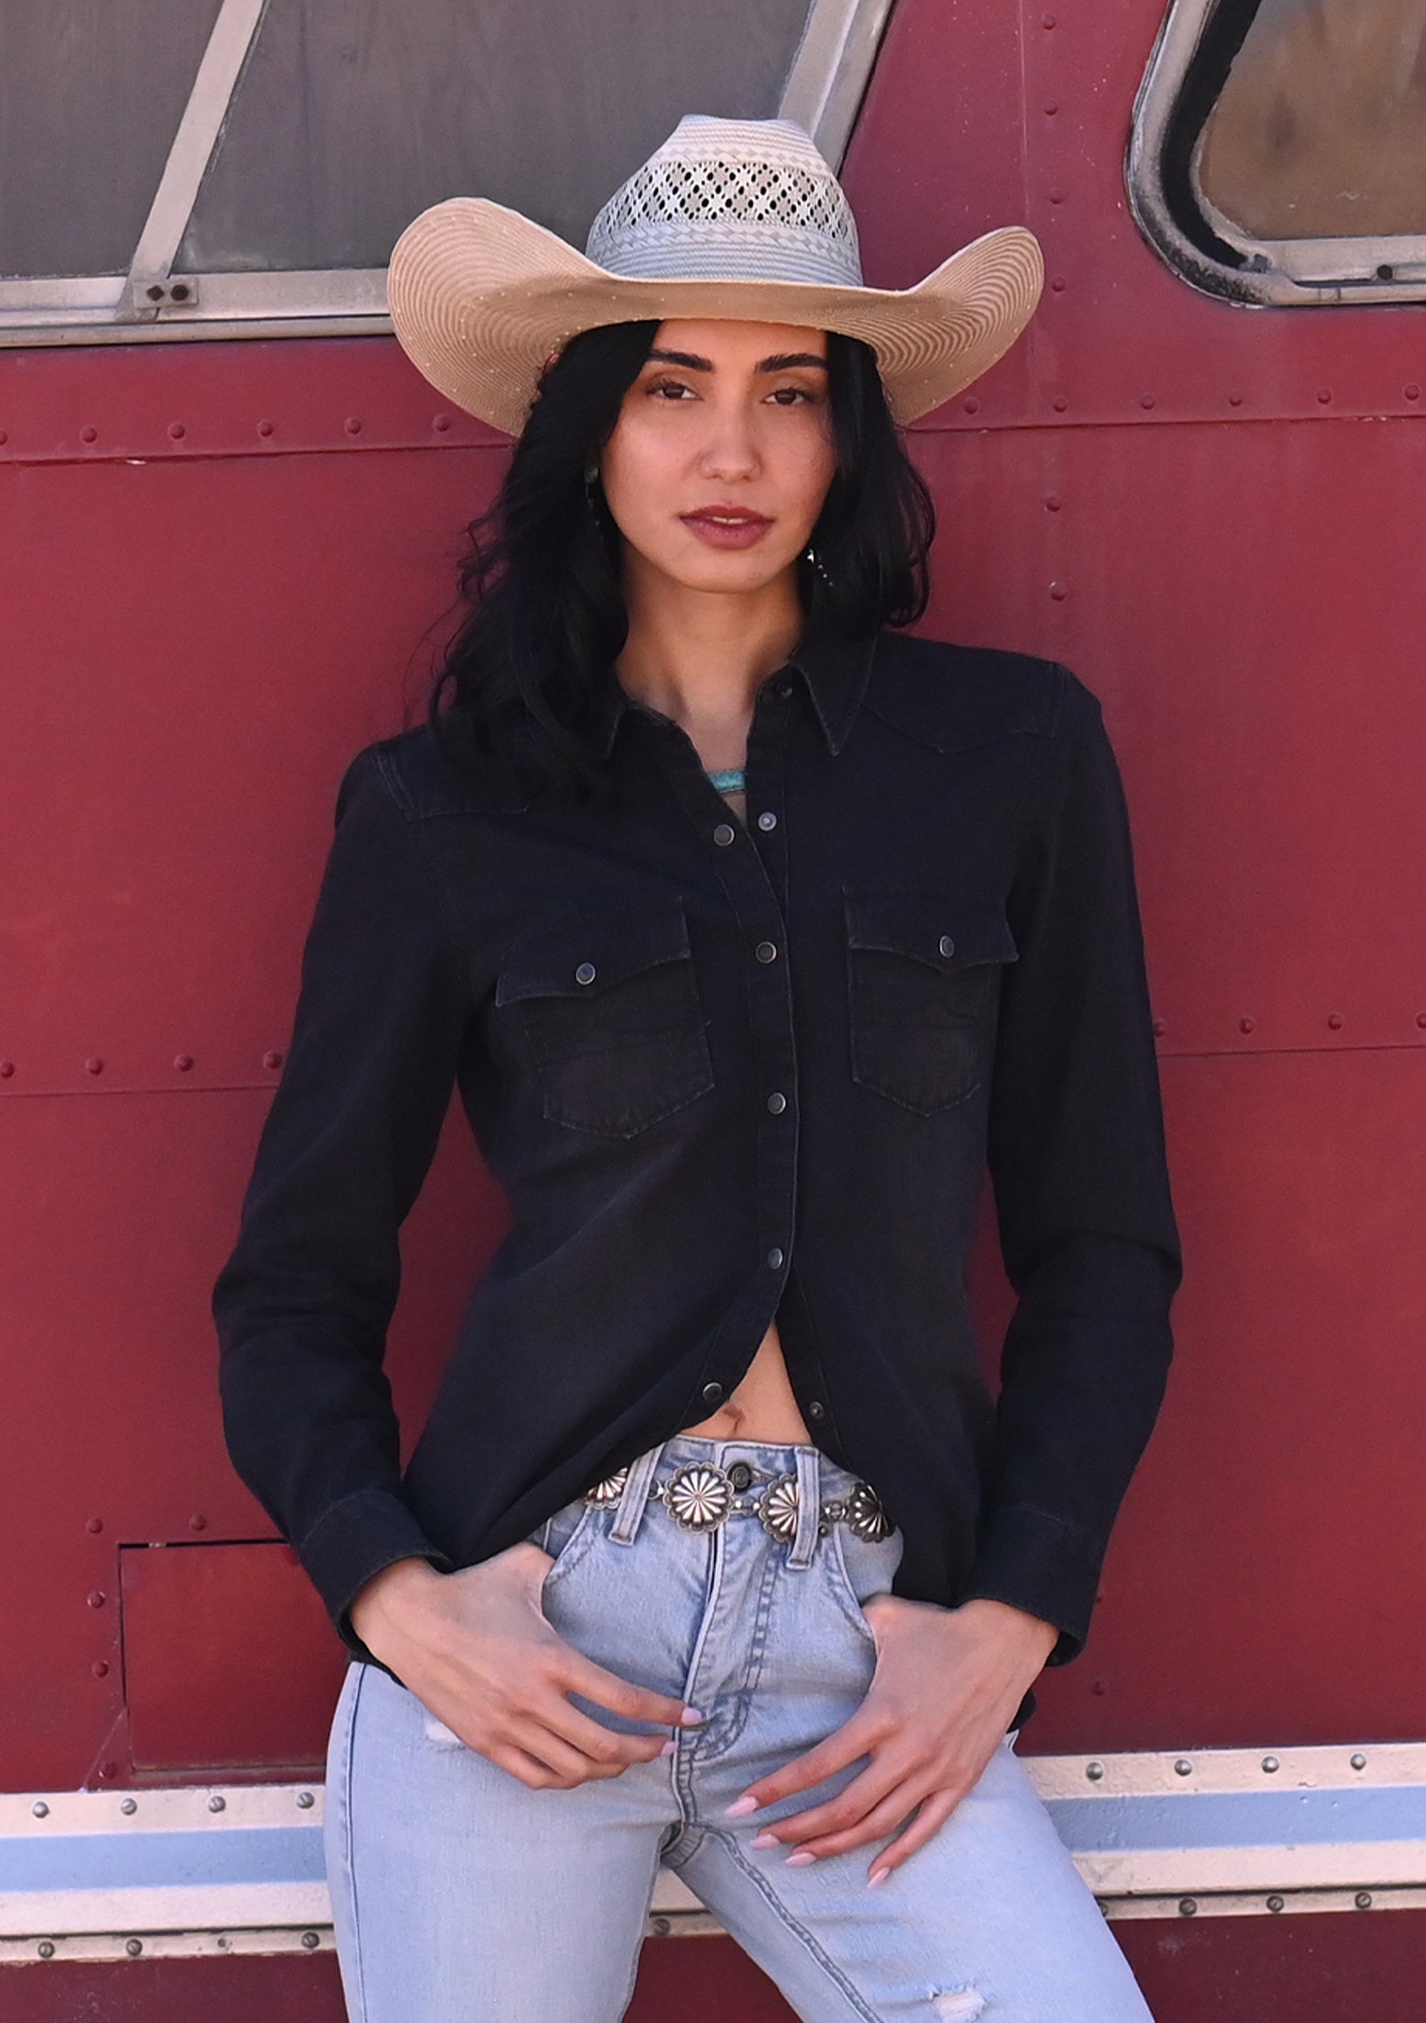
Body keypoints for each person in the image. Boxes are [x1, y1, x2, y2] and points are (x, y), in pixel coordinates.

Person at [212, 114, 1180, 2023]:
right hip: (530, 1635)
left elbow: (1103, 1244)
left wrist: (1013, 1616)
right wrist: (402, 1607)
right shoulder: (444, 809)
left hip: (863, 1645)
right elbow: (292, 1288)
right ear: (590, 431)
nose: (728, 452)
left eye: (787, 391)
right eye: (670, 387)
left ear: (847, 438)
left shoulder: (1008, 758)